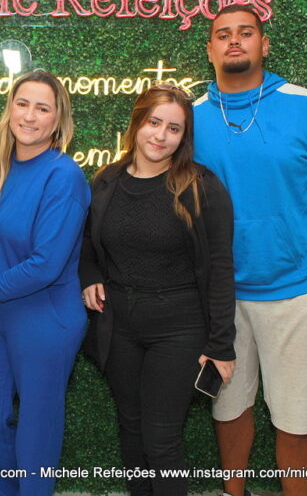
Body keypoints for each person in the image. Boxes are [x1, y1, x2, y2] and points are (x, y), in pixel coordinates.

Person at [193, 5, 307, 496]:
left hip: (295, 296)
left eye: (246, 32)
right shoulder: (190, 118)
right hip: (220, 302)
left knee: (298, 419)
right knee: (228, 409)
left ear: (264, 44)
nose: (234, 40)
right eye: (223, 34)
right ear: (210, 49)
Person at [79, 84, 236, 495]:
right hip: (119, 326)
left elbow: (221, 268)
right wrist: (89, 275)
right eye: (154, 122)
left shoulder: (202, 187)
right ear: (137, 123)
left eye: (174, 128)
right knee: (131, 430)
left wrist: (221, 344)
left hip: (180, 328)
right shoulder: (106, 181)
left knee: (161, 438)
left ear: (184, 137)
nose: (161, 135)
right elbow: (87, 245)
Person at [0, 70, 91, 496]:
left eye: (42, 108)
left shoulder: (64, 176)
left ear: (58, 120)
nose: (30, 116)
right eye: (22, 104)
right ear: (10, 109)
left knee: (37, 430)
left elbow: (46, 263)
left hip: (44, 315)